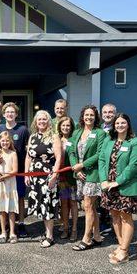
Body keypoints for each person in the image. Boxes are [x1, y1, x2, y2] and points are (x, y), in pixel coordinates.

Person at [99, 113, 137, 265]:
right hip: (108, 186)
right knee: (114, 216)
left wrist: (117, 182)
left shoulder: (135, 142)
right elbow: (102, 160)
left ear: (128, 124)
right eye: (117, 123)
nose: (119, 126)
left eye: (123, 123)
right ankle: (121, 245)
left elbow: (134, 166)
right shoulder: (108, 141)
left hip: (126, 185)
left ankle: (124, 251)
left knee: (126, 217)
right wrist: (104, 180)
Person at [69, 105, 107, 251]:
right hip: (80, 174)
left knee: (88, 206)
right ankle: (97, 236)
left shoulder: (100, 133)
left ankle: (86, 238)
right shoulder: (77, 132)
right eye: (86, 115)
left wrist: (82, 165)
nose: (89, 117)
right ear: (82, 116)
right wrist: (76, 168)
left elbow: (100, 154)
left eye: (92, 115)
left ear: (95, 117)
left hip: (93, 174)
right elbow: (71, 151)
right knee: (90, 207)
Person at [25, 110, 61, 248]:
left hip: (48, 176)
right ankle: (46, 232)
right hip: (34, 176)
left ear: (49, 121)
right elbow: (29, 157)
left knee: (48, 205)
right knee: (40, 204)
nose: (41, 122)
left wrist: (54, 175)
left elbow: (58, 158)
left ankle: (50, 236)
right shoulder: (32, 137)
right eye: (39, 119)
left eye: (44, 119)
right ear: (36, 121)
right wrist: (27, 174)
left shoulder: (54, 137)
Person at [0, 102, 30, 238]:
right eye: (7, 112)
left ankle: (21, 223)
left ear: (16, 114)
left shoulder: (22, 130)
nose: (10, 114)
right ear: (4, 114)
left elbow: (29, 151)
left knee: (20, 198)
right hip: (3, 171)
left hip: (19, 170)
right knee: (4, 198)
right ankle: (4, 227)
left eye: (12, 112)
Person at [0, 131, 19, 244]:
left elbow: (15, 170)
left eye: (7, 140)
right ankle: (3, 232)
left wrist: (5, 176)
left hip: (10, 183)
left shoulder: (13, 153)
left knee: (11, 209)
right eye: (3, 140)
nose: (5, 142)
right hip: (0, 183)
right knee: (2, 209)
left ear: (10, 141)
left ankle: (12, 232)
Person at [56, 116, 79, 241]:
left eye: (68, 125)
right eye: (63, 125)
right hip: (61, 178)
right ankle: (65, 227)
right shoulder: (57, 140)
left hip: (72, 178)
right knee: (64, 203)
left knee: (73, 203)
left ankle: (74, 229)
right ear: (59, 127)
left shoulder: (75, 140)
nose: (65, 127)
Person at [99, 103, 117, 234]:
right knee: (101, 199)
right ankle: (103, 222)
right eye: (105, 112)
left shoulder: (119, 128)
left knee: (114, 199)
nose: (107, 114)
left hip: (114, 171)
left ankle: (117, 229)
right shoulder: (98, 129)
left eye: (110, 112)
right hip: (100, 169)